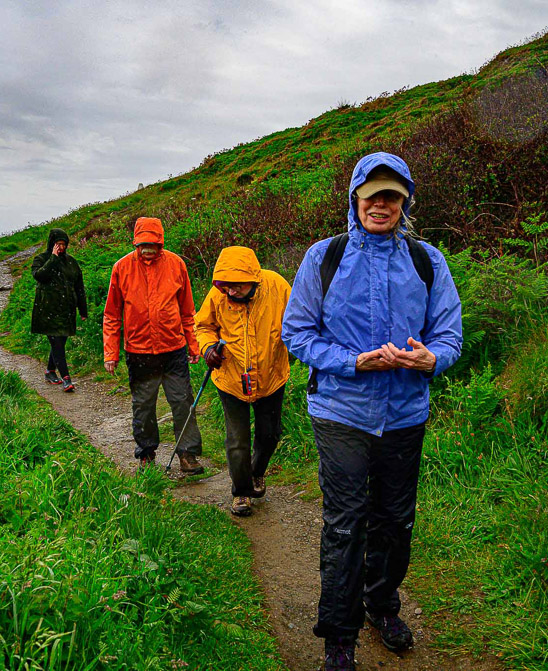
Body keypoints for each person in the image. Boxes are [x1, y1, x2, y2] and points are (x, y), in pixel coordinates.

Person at [281, 152, 463, 670]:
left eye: (392, 196)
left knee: (395, 520)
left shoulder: (428, 260)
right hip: (340, 410)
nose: (381, 204)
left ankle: (381, 605)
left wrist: (433, 358)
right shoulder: (325, 256)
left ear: (404, 203)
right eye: (372, 194)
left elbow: (449, 333)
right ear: (355, 198)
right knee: (346, 523)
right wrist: (352, 362)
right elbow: (296, 332)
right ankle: (338, 638)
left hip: (406, 412)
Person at [194, 246, 291, 517]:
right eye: (226, 286)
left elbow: (298, 322)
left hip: (271, 376)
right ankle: (240, 492)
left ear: (253, 280)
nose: (230, 292)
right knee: (237, 440)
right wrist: (208, 348)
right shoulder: (219, 293)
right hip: (230, 378)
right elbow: (203, 326)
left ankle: (257, 473)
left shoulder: (278, 287)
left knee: (269, 435)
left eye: (236, 286)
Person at [103, 217, 205, 474]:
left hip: (173, 349)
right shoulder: (121, 268)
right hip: (139, 352)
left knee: (183, 402)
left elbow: (187, 311)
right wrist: (110, 353)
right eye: (143, 244)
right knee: (144, 405)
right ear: (136, 243)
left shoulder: (176, 264)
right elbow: (112, 315)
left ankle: (187, 454)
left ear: (161, 242)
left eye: (153, 244)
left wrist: (193, 346)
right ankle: (146, 454)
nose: (148, 249)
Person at [30, 228, 88, 392]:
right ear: (52, 244)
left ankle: (50, 371)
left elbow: (79, 287)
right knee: (56, 342)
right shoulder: (41, 259)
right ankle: (66, 379)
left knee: (60, 341)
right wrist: (53, 258)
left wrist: (83, 311)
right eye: (58, 244)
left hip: (67, 310)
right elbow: (40, 276)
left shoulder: (71, 262)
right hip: (47, 310)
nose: (61, 248)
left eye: (63, 244)